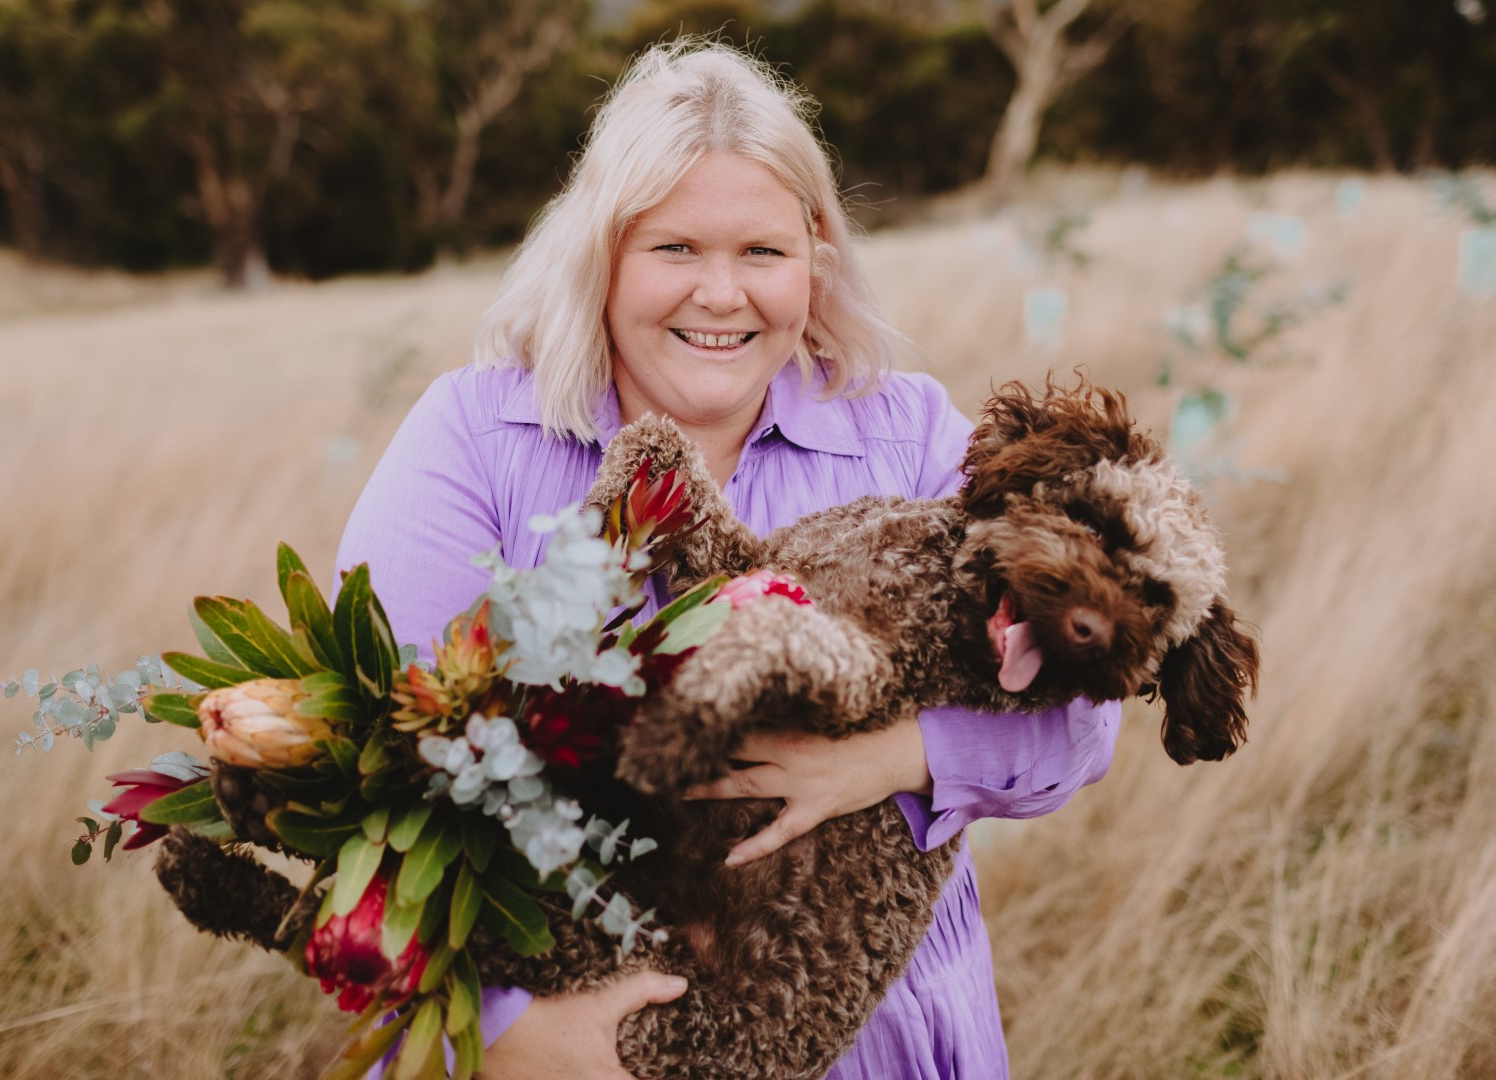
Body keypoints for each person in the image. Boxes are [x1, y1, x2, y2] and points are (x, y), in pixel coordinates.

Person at [337, 39, 1120, 1080]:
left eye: (762, 252)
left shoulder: (912, 438)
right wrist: (518, 1036)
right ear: (601, 258)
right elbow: (369, 763)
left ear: (815, 263)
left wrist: (890, 759)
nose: (721, 295)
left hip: (874, 1032)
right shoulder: (476, 439)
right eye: (673, 250)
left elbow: (1085, 705)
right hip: (555, 1030)